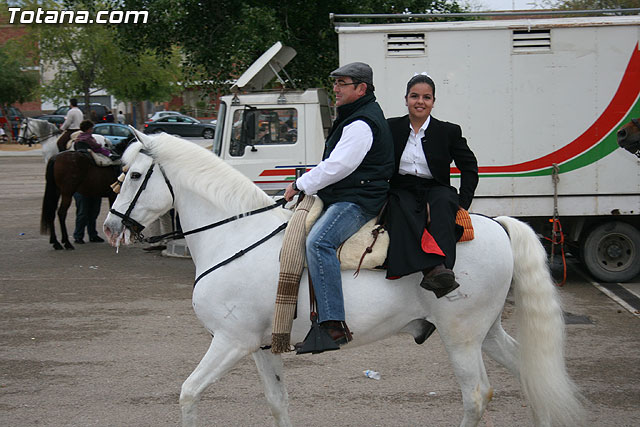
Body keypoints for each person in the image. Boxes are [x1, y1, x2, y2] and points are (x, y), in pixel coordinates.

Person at [284, 62, 394, 349]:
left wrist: (301, 184)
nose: (335, 89)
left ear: (361, 88)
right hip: (346, 194)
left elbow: (340, 165)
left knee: (319, 243)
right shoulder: (355, 115)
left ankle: (332, 324)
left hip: (357, 200)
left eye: (342, 83)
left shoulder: (361, 122)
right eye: (335, 83)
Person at [385, 73, 478, 298]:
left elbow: (469, 166)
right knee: (399, 207)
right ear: (406, 99)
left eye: (426, 97)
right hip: (402, 186)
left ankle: (444, 268)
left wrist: (463, 203)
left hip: (435, 186)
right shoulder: (390, 127)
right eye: (414, 96)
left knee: (445, 203)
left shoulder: (449, 131)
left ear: (433, 102)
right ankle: (432, 270)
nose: (420, 102)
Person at [71, 120, 110, 244]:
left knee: (82, 212)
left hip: (82, 189)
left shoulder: (76, 140)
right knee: (91, 212)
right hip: (91, 188)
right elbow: (98, 149)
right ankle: (89, 234)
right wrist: (109, 153)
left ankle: (80, 235)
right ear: (89, 129)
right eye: (91, 128)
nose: (92, 130)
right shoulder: (89, 139)